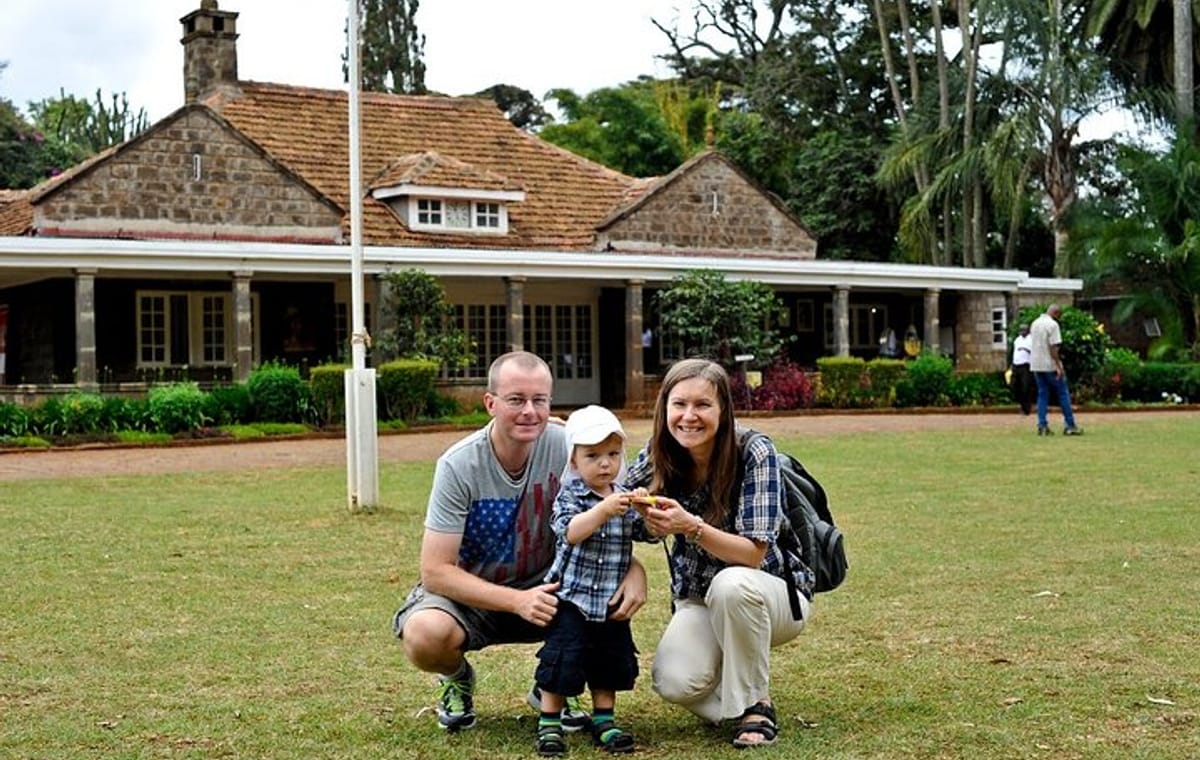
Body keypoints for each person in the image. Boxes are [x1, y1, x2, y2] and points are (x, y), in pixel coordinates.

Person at [391, 351, 648, 733]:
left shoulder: (571, 447)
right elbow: (435, 572)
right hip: (473, 596)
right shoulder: (458, 465)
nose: (529, 411)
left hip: (552, 589)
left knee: (602, 604)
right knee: (425, 634)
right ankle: (457, 678)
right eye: (516, 400)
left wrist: (634, 568)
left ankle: (555, 683)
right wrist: (516, 601)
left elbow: (609, 507)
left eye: (539, 400)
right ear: (490, 403)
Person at [624, 358, 812, 749]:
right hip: (700, 599)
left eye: (702, 405)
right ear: (665, 409)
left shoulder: (754, 452)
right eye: (679, 404)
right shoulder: (659, 453)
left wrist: (689, 526)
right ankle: (736, 708)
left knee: (732, 585)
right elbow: (614, 504)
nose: (688, 417)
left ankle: (757, 704)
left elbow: (753, 554)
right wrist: (644, 521)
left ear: (724, 410)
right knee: (673, 681)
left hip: (770, 595)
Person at [534, 405, 655, 756]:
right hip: (570, 597)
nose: (605, 463)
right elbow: (569, 532)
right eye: (593, 456)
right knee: (562, 658)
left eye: (613, 454)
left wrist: (647, 514)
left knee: (609, 659)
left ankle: (604, 719)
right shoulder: (571, 494)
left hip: (610, 599)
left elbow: (643, 534)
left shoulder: (624, 496)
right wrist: (602, 510)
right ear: (574, 461)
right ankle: (549, 722)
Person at [1029, 304, 1083, 436]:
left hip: (1036, 364)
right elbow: (1054, 348)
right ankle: (1070, 425)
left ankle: (1042, 425)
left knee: (1042, 394)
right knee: (1062, 393)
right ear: (1056, 314)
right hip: (1049, 365)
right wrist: (1058, 365)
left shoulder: (1035, 323)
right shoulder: (1053, 325)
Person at [1010, 322, 1034, 415]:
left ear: (1028, 331)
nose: (1022, 332)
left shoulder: (1031, 339)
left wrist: (1025, 349)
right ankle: (1021, 404)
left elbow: (1032, 351)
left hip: (1026, 365)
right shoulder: (1017, 340)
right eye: (1021, 330)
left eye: (1024, 330)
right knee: (1015, 386)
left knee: (1026, 387)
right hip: (1016, 365)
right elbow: (1014, 352)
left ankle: (1026, 408)